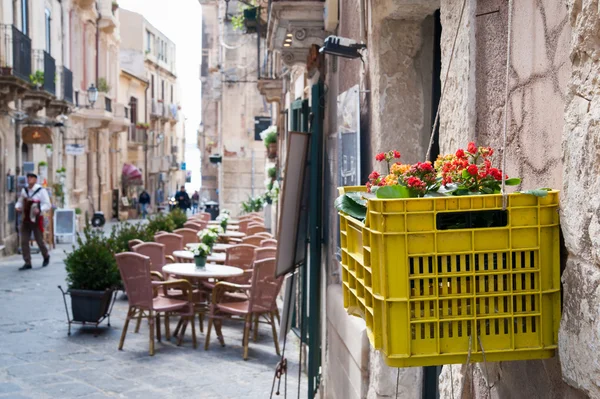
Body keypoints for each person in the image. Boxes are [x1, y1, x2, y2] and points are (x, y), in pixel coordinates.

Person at [15, 173, 51, 271]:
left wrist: (39, 209)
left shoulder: (41, 191)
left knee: (39, 240)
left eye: (31, 178)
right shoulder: (24, 190)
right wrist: (18, 207)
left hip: (36, 219)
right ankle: (27, 262)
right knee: (24, 241)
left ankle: (46, 255)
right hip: (25, 218)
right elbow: (20, 201)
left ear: (35, 180)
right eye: (28, 178)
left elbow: (47, 204)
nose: (29, 179)